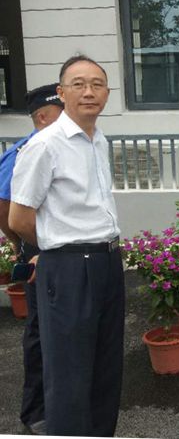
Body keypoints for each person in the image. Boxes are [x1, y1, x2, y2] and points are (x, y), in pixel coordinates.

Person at [9, 55, 124, 436]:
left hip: (107, 260)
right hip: (70, 268)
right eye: (78, 84)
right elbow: (19, 218)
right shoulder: (45, 145)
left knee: (106, 368)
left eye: (97, 84)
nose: (89, 92)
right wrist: (55, 249)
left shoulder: (97, 140)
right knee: (70, 375)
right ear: (61, 93)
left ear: (107, 93)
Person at [0, 83, 63, 436]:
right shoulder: (30, 148)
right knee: (41, 332)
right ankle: (36, 412)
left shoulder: (62, 146)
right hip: (41, 251)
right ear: (42, 117)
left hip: (59, 251)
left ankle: (60, 402)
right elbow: (3, 203)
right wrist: (22, 244)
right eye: (60, 113)